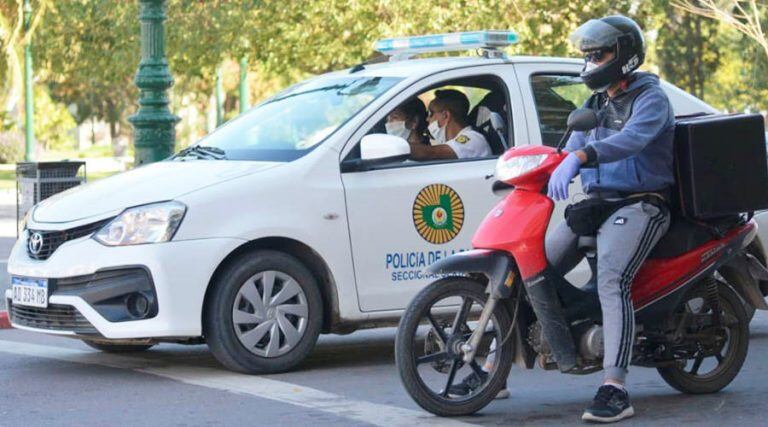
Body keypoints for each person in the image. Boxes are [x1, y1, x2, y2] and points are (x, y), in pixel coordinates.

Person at [546, 15, 675, 423]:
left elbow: (631, 140)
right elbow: (573, 144)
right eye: (587, 55)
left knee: (611, 279)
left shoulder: (650, 99)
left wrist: (582, 158)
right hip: (600, 202)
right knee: (536, 265)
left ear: (623, 55)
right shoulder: (596, 102)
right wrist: (551, 161)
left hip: (642, 203)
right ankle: (491, 366)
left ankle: (615, 387)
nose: (590, 62)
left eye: (598, 54)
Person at [408, 89, 491, 161]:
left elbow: (432, 153)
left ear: (446, 116)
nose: (427, 119)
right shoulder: (450, 142)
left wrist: (400, 148)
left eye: (431, 113)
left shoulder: (472, 139)